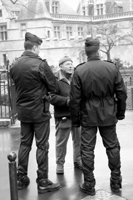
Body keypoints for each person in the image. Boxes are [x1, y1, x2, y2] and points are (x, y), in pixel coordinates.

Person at [70, 37, 127, 196]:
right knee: (112, 147)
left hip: (87, 115)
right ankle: (116, 181)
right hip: (108, 113)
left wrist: (76, 120)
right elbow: (122, 93)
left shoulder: (80, 70)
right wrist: (120, 113)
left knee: (87, 149)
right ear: (99, 50)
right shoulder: (111, 68)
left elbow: (75, 99)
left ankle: (89, 183)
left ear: (86, 52)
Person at [10, 32, 60, 194]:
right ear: (36, 47)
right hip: (40, 111)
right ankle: (43, 181)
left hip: (23, 112)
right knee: (42, 145)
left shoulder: (15, 65)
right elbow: (54, 87)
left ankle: (21, 178)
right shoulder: (40, 64)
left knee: (25, 144)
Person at [50, 56, 82, 174]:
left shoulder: (76, 78)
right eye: (67, 64)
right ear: (61, 66)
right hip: (63, 116)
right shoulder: (55, 80)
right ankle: (60, 164)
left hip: (77, 115)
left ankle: (78, 160)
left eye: (71, 64)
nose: (70, 66)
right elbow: (51, 97)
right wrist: (67, 101)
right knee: (61, 142)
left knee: (78, 140)